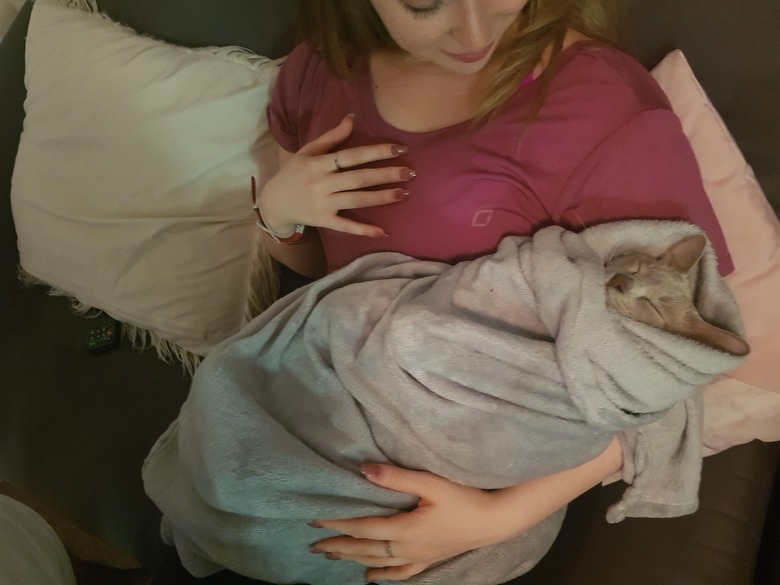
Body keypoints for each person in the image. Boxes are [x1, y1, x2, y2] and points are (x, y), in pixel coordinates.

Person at [256, 0, 733, 582]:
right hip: (328, 404)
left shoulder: (603, 113)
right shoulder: (314, 70)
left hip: (475, 475)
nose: (474, 32)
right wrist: (277, 213)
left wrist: (500, 517)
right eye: (424, 4)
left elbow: (675, 368)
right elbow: (317, 269)